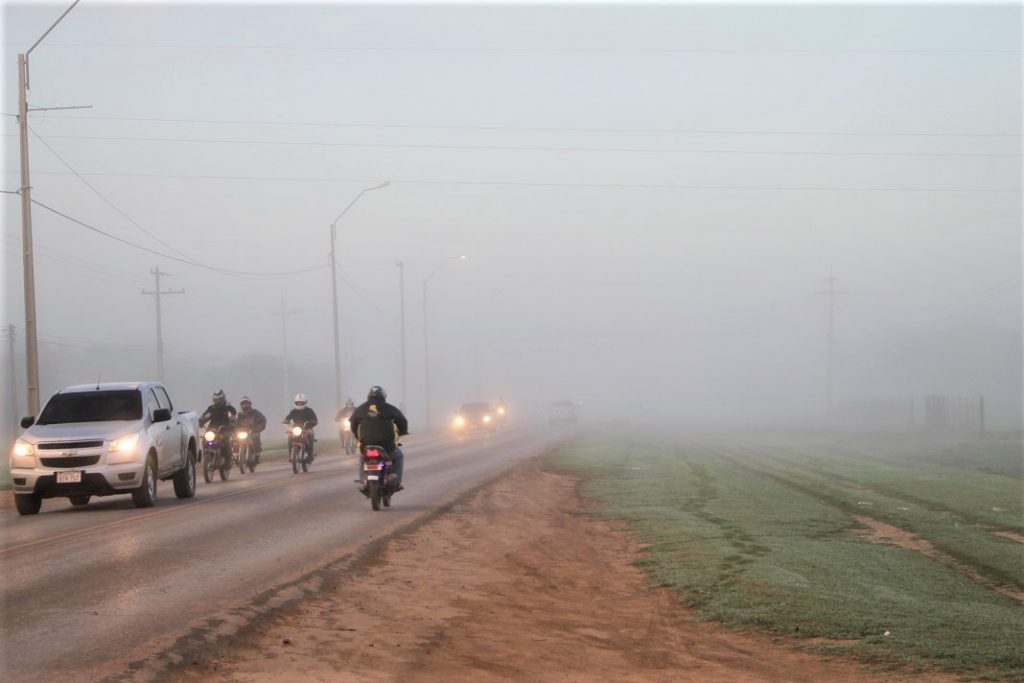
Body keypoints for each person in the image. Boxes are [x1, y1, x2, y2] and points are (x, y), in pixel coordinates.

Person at [349, 385, 408, 492]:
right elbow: (402, 420)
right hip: (386, 445)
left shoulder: (361, 409)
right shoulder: (389, 408)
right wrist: (403, 431)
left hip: (366, 444)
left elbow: (353, 423)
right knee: (399, 457)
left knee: (363, 459)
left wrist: (357, 436)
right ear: (383, 396)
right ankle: (397, 480)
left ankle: (363, 480)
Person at [200, 390, 237, 462]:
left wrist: (232, 423)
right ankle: (206, 457)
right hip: (212, 429)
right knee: (205, 440)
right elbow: (206, 416)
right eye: (216, 400)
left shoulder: (228, 408)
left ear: (223, 399)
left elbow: (232, 417)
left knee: (225, 439)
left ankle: (228, 458)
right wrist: (201, 420)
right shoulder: (212, 409)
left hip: (225, 429)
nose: (218, 401)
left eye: (219, 399)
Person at [283, 393, 319, 462]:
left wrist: (310, 424)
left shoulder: (309, 411)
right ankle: (291, 456)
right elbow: (288, 417)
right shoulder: (293, 411)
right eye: (298, 403)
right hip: (296, 429)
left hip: (307, 428)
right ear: (295, 403)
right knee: (290, 437)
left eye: (301, 403)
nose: (299, 404)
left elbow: (315, 421)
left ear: (305, 402)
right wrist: (286, 421)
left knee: (311, 434)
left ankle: (310, 455)